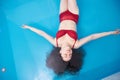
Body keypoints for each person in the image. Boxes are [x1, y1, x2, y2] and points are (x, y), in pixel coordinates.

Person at [22, 0, 120, 74]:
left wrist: (29, 27)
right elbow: (92, 37)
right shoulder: (75, 44)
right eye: (70, 55)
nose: (68, 53)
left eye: (65, 55)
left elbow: (42, 34)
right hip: (74, 14)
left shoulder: (56, 42)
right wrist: (111, 32)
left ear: (60, 52)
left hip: (62, 14)